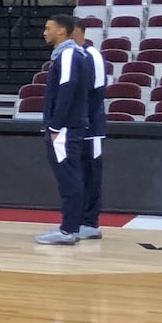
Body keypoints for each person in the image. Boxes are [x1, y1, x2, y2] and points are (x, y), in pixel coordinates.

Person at [36, 14, 91, 245]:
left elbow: (67, 89)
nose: (44, 32)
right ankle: (72, 226)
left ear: (61, 31)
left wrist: (56, 125)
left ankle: (68, 230)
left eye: (48, 28)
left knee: (69, 179)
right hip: (69, 127)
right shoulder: (69, 55)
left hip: (65, 129)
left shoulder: (68, 55)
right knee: (72, 178)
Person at [72, 21, 106, 240]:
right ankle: (76, 220)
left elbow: (97, 92)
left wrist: (85, 120)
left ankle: (90, 222)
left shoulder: (91, 54)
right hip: (74, 127)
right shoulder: (69, 55)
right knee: (76, 175)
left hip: (91, 128)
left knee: (91, 175)